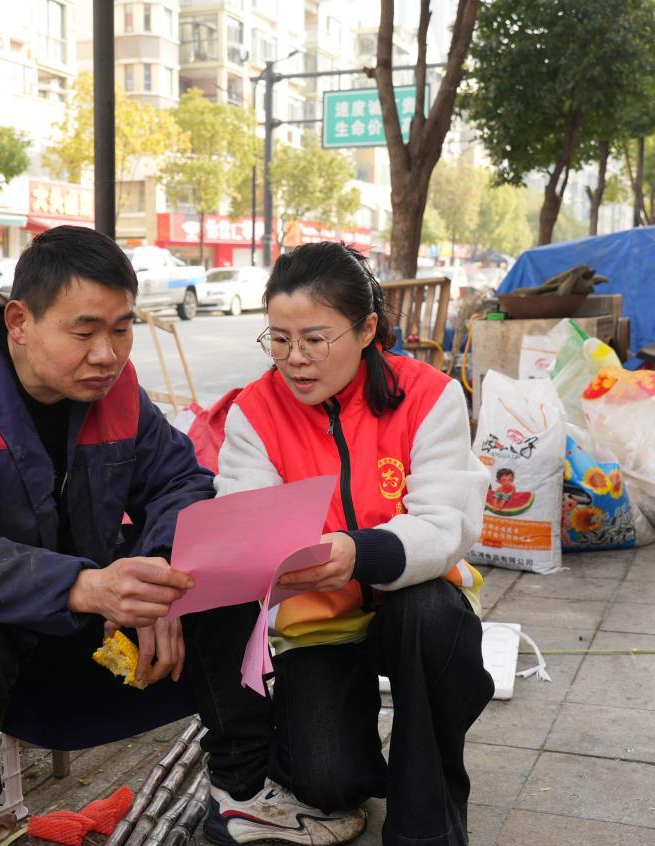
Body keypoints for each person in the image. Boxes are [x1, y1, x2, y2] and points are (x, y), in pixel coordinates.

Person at [0, 226, 261, 846]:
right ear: (19, 320)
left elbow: (181, 481)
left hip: (73, 617)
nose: (107, 354)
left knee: (225, 589)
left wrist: (158, 576)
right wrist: (89, 586)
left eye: (121, 328)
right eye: (84, 330)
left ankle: (242, 802)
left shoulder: (114, 387)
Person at [200, 242, 493, 846]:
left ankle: (427, 819)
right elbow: (246, 517)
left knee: (431, 617)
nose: (294, 360)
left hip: (411, 601)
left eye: (314, 338)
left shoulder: (430, 395)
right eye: (278, 339)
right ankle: (347, 753)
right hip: (318, 621)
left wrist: (360, 552)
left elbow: (447, 523)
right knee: (326, 780)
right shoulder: (254, 413)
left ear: (366, 330)